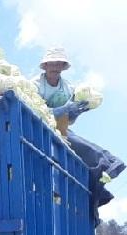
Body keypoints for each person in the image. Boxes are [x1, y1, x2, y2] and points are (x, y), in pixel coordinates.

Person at [33, 47, 124, 217]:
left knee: (72, 146)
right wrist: (62, 110)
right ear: (45, 66)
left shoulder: (68, 88)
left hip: (60, 126)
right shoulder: (36, 86)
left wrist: (76, 111)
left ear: (63, 67)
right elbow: (36, 111)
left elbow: (68, 120)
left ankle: (98, 187)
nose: (55, 67)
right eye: (51, 63)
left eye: (59, 64)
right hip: (37, 125)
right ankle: (108, 161)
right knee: (71, 140)